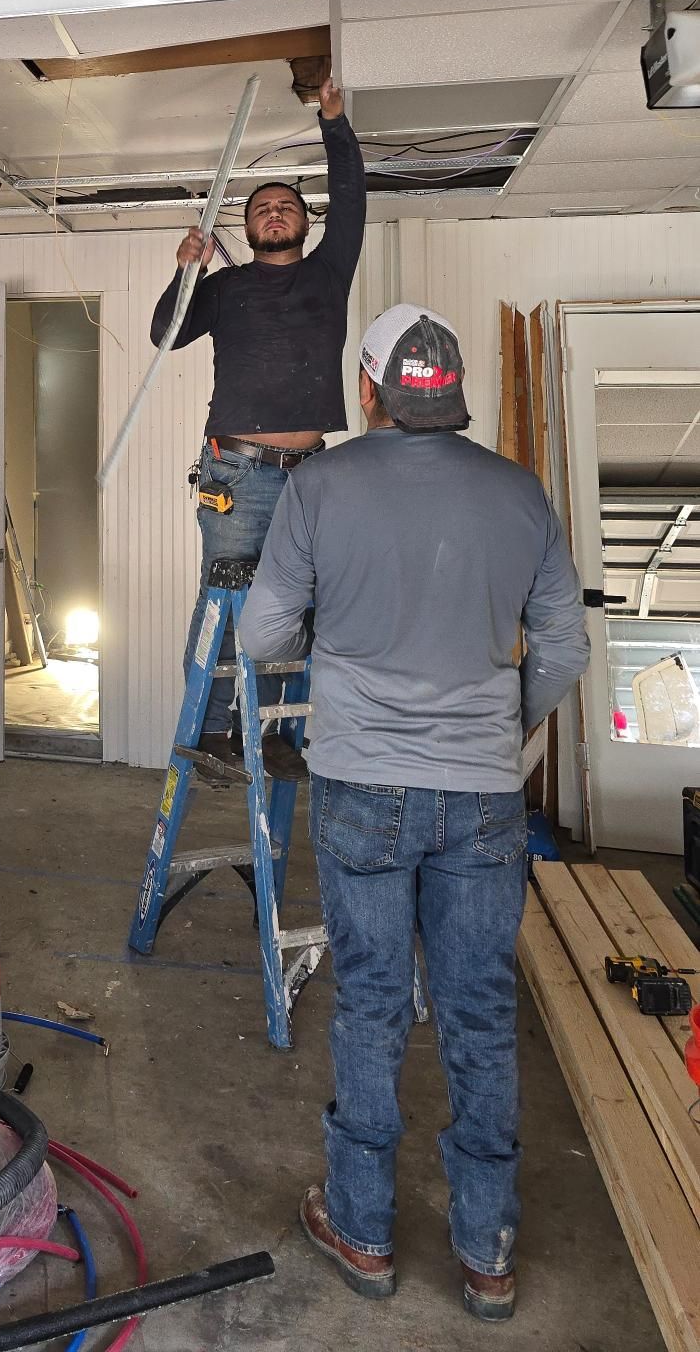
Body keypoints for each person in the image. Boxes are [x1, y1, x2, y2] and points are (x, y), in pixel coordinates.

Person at [238, 305, 589, 1322]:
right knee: (480, 1012)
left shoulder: (318, 486)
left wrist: (330, 627)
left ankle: (364, 1228)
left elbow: (262, 636)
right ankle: (488, 1249)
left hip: (361, 786)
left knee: (374, 1004)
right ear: (454, 390)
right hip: (482, 795)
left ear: (368, 388)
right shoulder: (519, 494)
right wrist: (492, 730)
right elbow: (562, 648)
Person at [150, 73, 364, 781]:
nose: (274, 213)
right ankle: (212, 732)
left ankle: (263, 733)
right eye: (262, 208)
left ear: (305, 223)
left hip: (313, 476)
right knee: (228, 599)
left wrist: (334, 122)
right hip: (237, 474)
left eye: (286, 206)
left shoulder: (330, 272)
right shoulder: (225, 287)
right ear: (246, 230)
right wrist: (183, 272)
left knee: (288, 609)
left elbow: (355, 200)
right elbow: (165, 334)